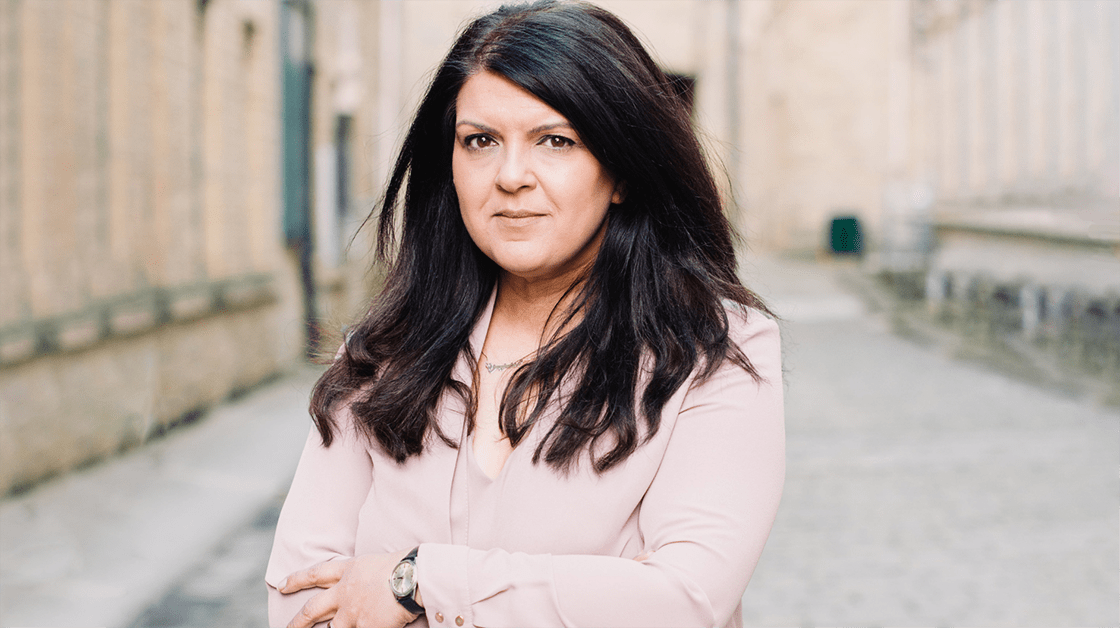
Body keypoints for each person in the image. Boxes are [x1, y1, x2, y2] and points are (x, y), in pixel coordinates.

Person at [266, 1, 784, 627]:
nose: (511, 176)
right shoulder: (384, 355)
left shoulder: (712, 353)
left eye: (556, 141)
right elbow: (300, 603)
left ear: (620, 170)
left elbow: (683, 602)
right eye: (480, 141)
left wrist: (418, 581)